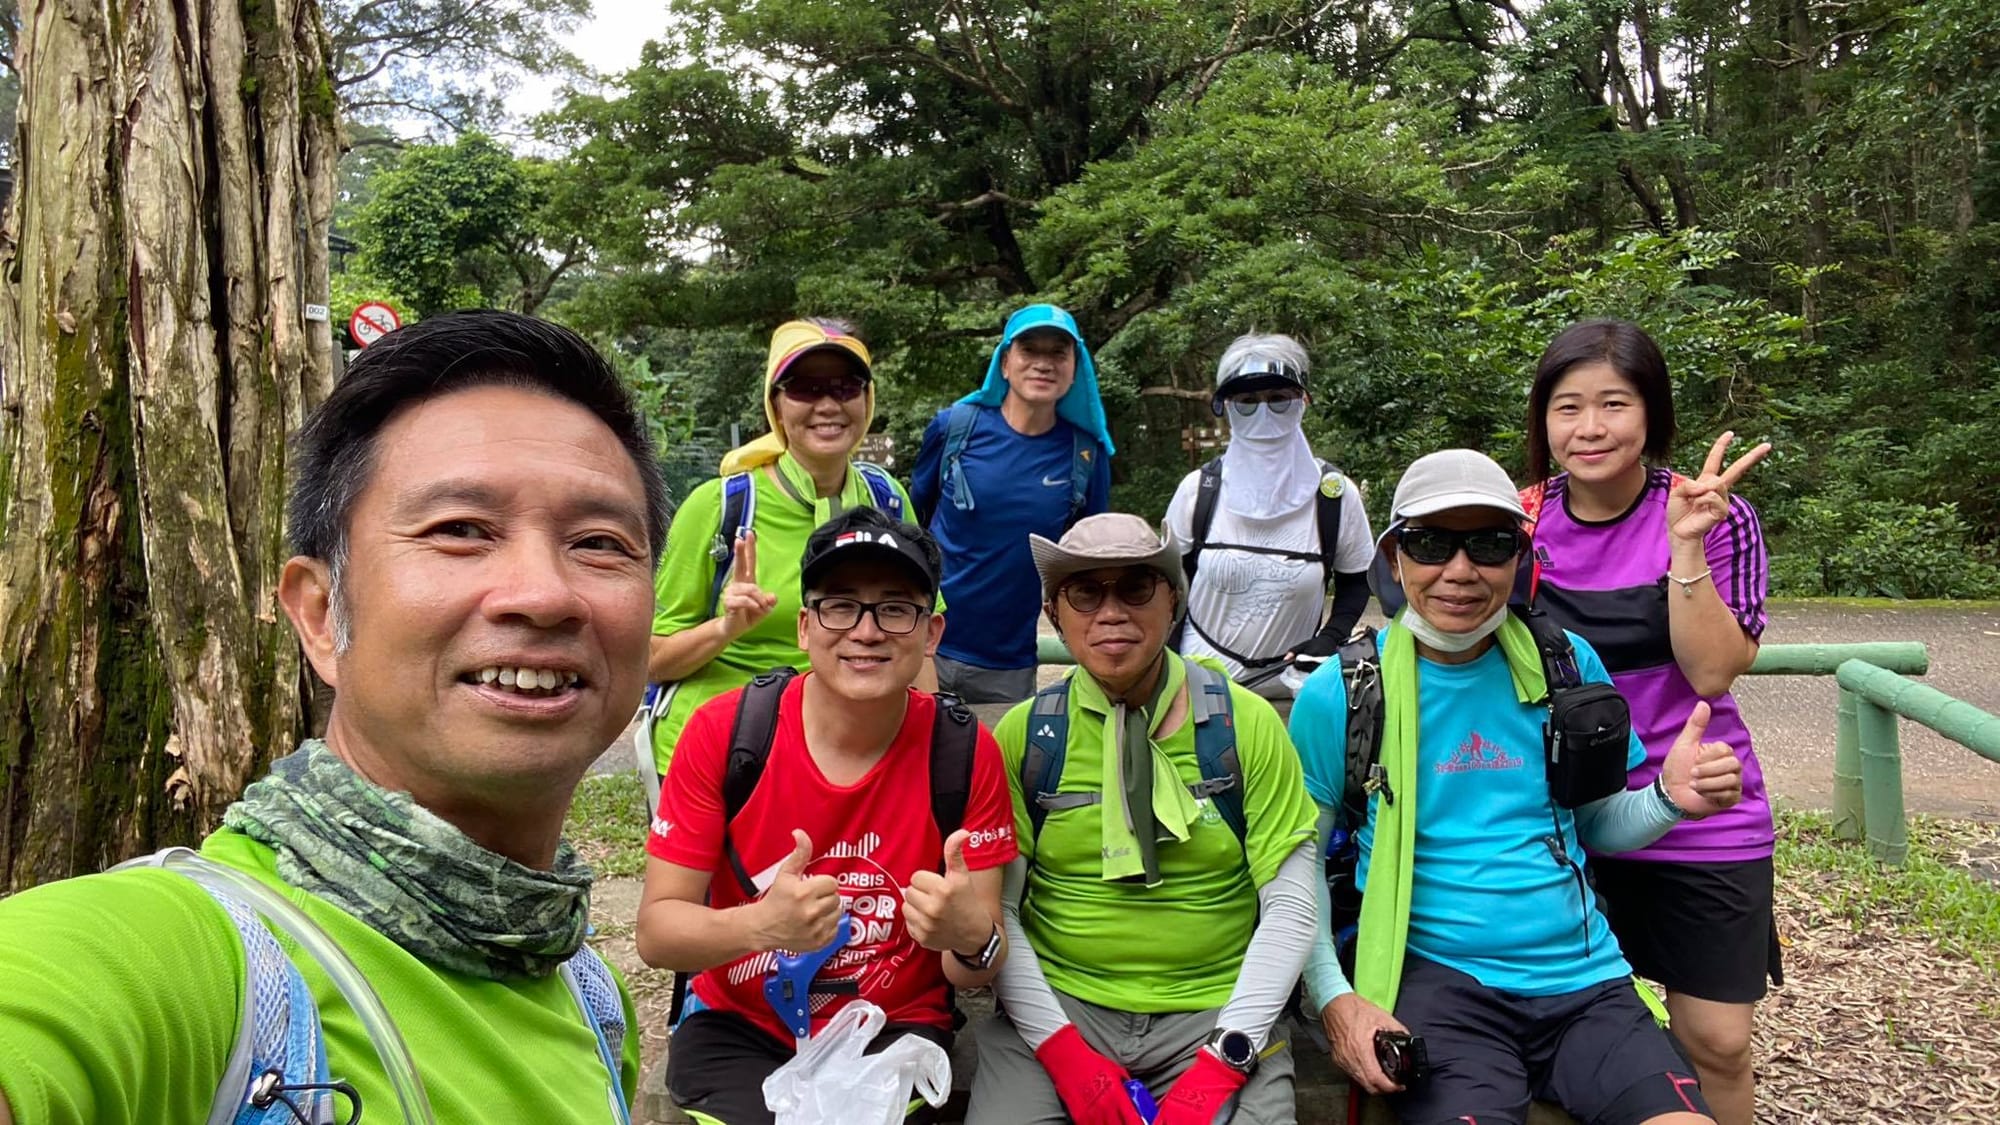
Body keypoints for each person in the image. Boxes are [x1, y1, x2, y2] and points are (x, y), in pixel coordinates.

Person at [0, 311, 662, 1124]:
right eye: (460, 530)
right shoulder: (181, 959)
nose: (544, 593)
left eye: (599, 542)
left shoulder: (588, 997)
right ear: (320, 614)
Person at [1290, 448, 1745, 1125]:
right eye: (1431, 543)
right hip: (1440, 982)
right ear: (1393, 559)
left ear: (1520, 557)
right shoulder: (1347, 692)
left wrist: (1668, 799)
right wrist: (1336, 999)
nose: (1461, 569)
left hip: (1586, 979)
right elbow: (1294, 862)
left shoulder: (1566, 664)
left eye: (1491, 543)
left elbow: (1593, 825)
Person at [638, 506, 1019, 1125]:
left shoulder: (964, 751)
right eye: (840, 605)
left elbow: (975, 962)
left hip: (894, 1027)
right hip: (743, 1026)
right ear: (803, 627)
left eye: (895, 608)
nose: (866, 631)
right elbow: (658, 934)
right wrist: (764, 925)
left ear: (932, 634)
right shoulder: (728, 733)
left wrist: (968, 936)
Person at [967, 513, 1320, 1125]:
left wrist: (1226, 1058)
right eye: (1085, 592)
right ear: (1056, 613)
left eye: (1135, 587)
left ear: (1173, 603)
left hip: (1216, 1007)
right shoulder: (1029, 734)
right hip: (1061, 1001)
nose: (1111, 612)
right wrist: (1064, 1053)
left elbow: (1291, 905)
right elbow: (999, 909)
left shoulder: (1244, 724)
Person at [1519, 319, 1776, 1125]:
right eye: (1567, 408)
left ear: (1652, 415)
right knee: (1564, 1031)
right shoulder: (1521, 520)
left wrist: (1686, 549)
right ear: (1543, 423)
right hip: (1565, 807)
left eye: (1613, 404)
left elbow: (1713, 670)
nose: (1589, 428)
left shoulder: (1712, 514)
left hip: (1702, 796)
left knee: (1718, 1039)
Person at [646, 319, 923, 783]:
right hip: (726, 755)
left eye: (845, 386)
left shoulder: (887, 499)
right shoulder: (719, 506)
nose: (828, 404)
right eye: (806, 388)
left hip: (851, 748)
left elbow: (920, 640)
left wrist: (925, 750)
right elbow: (649, 661)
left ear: (867, 398)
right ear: (775, 404)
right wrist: (726, 627)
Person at [911, 303, 1114, 704]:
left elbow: (1089, 558)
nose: (1043, 363)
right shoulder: (955, 428)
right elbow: (915, 521)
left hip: (1011, 661)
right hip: (925, 646)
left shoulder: (1085, 454)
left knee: (1001, 766)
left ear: (1076, 368)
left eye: (1057, 353)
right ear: (1005, 363)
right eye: (1029, 351)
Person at [1164, 334, 1374, 700]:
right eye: (1246, 401)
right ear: (1225, 406)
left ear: (1303, 400)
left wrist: (1330, 638)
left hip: (1295, 694)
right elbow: (1164, 583)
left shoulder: (1336, 497)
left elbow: (1357, 581)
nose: (1263, 412)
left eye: (1279, 399)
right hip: (1199, 692)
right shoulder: (1197, 492)